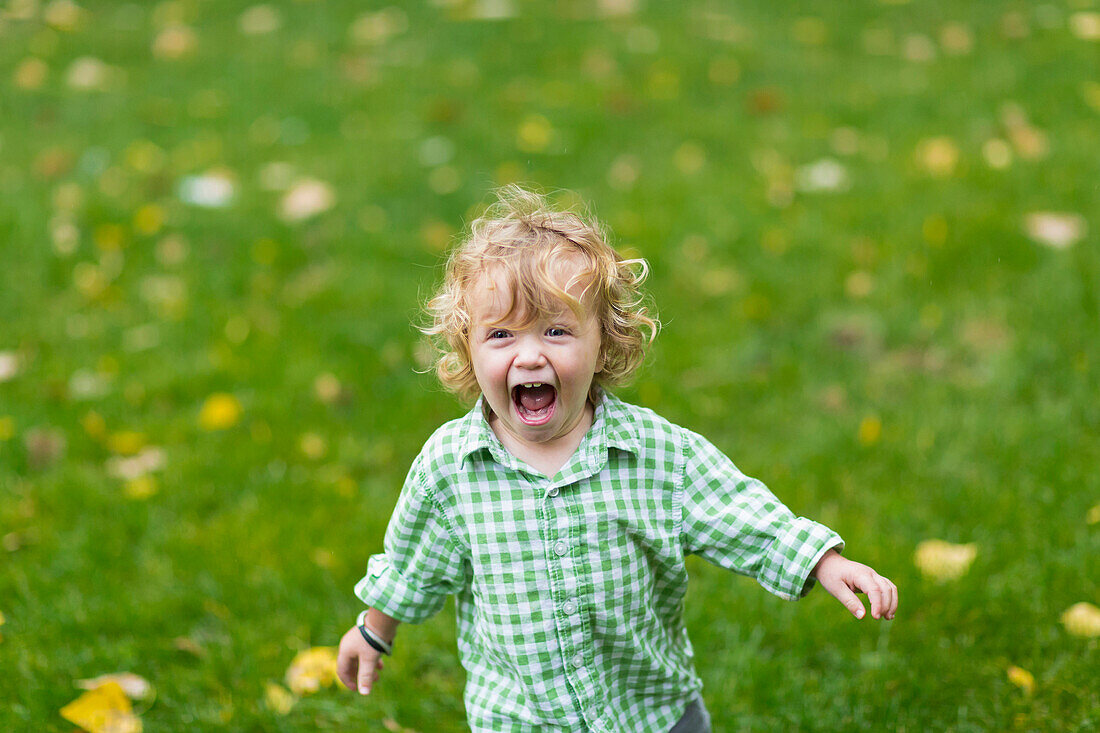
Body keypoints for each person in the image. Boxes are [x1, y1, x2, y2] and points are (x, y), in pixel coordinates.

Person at [336, 185, 898, 732]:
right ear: (469, 349)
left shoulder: (657, 455)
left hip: (650, 712)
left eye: (556, 330)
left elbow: (740, 512)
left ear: (603, 342)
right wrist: (373, 630)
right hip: (521, 719)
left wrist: (823, 560)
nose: (529, 355)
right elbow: (413, 563)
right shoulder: (451, 469)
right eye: (501, 334)